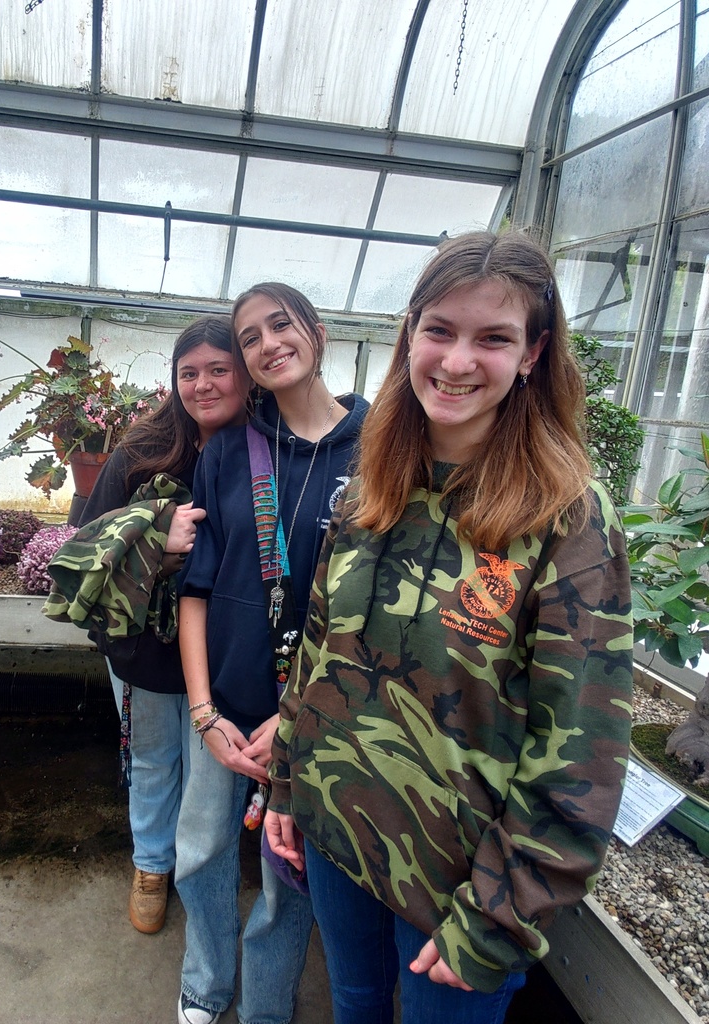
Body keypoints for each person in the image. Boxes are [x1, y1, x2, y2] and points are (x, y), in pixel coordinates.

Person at [264, 231, 634, 1024]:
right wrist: (289, 786)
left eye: (493, 338)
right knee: (355, 1006)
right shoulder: (375, 477)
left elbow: (579, 751)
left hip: (460, 888)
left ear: (533, 353)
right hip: (337, 836)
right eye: (440, 330)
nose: (458, 361)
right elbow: (319, 652)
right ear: (410, 333)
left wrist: (500, 915)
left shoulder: (567, 517)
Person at [175, 283, 370, 1024]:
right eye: (249, 336)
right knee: (199, 851)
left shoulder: (383, 449)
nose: (267, 344)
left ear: (316, 332)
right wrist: (203, 713)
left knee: (288, 876)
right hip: (225, 711)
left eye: (280, 325)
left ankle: (264, 1007)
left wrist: (301, 721)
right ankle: (204, 983)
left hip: (318, 723)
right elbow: (195, 591)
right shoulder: (229, 452)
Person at [78, 315, 249, 935]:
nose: (203, 385)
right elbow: (84, 545)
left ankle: (199, 873)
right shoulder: (143, 448)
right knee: (154, 758)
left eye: (218, 369)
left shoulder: (266, 447)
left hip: (231, 651)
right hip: (147, 646)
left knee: (212, 772)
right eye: (188, 373)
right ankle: (151, 864)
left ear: (246, 374)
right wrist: (154, 534)